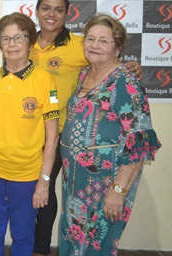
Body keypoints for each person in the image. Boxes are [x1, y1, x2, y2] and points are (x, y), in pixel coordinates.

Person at [31, 0, 142, 256]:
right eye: (46, 8)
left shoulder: (80, 46)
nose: (94, 44)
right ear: (36, 11)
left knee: (91, 232)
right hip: (45, 146)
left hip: (82, 158)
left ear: (67, 14)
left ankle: (40, 250)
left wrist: (133, 67)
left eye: (58, 9)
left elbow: (137, 138)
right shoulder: (27, 42)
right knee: (62, 216)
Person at [59, 13, 161, 255]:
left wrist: (118, 192)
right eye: (90, 38)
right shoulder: (85, 73)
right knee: (73, 240)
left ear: (118, 47)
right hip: (75, 183)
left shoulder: (126, 82)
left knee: (97, 243)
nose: (95, 44)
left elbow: (138, 143)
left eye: (104, 40)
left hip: (105, 184)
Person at [0, 12, 60, 256]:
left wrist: (44, 180)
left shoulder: (44, 81)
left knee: (24, 234)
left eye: (19, 37)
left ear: (30, 42)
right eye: (5, 39)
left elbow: (52, 136)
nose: (12, 44)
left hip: (26, 174)